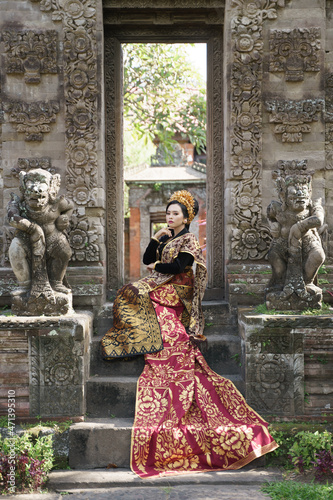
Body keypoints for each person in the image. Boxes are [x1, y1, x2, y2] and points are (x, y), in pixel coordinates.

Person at [101, 190, 278, 478]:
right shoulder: (166, 237)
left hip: (178, 290)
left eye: (174, 214)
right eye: (168, 213)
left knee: (144, 302)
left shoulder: (189, 240)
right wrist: (155, 239)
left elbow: (179, 267)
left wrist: (155, 266)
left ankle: (152, 333)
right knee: (127, 293)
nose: (169, 217)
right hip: (161, 283)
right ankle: (137, 334)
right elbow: (147, 258)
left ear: (186, 217)